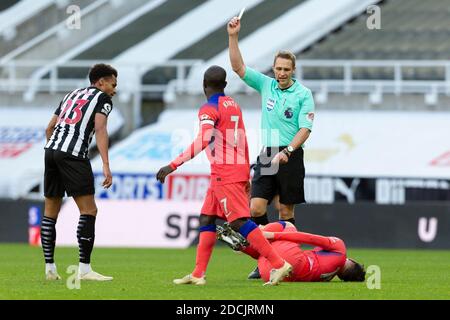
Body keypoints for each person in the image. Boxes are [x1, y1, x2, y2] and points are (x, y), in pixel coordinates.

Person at [156, 65, 292, 286]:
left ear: (203, 85)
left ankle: (279, 264)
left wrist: (173, 165)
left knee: (239, 222)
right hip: (231, 169)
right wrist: (246, 171)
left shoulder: (208, 109)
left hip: (225, 172)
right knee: (207, 218)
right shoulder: (233, 105)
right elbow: (243, 138)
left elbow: (203, 139)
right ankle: (198, 274)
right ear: (225, 85)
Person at [228, 16, 315, 279]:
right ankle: (267, 256)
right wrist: (233, 36)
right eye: (278, 68)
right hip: (267, 153)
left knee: (286, 213)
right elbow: (238, 67)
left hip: (291, 154)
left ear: (293, 70)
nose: (281, 73)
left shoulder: (303, 94)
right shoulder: (266, 85)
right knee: (255, 209)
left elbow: (306, 128)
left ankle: (289, 261)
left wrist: (288, 150)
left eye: (286, 69)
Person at [41, 64, 117, 281]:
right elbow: (100, 129)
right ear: (101, 82)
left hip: (51, 150)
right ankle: (84, 269)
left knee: (50, 211)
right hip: (74, 154)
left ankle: (50, 268)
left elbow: (49, 128)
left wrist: (55, 150)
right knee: (89, 211)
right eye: (113, 84)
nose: (114, 89)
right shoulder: (103, 99)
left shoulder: (70, 94)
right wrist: (105, 164)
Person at [218, 221, 366, 283]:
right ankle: (243, 246)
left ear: (351, 261)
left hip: (291, 262)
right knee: (268, 252)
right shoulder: (326, 277)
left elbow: (308, 238)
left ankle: (253, 234)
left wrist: (271, 234)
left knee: (288, 226)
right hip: (270, 274)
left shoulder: (340, 250)